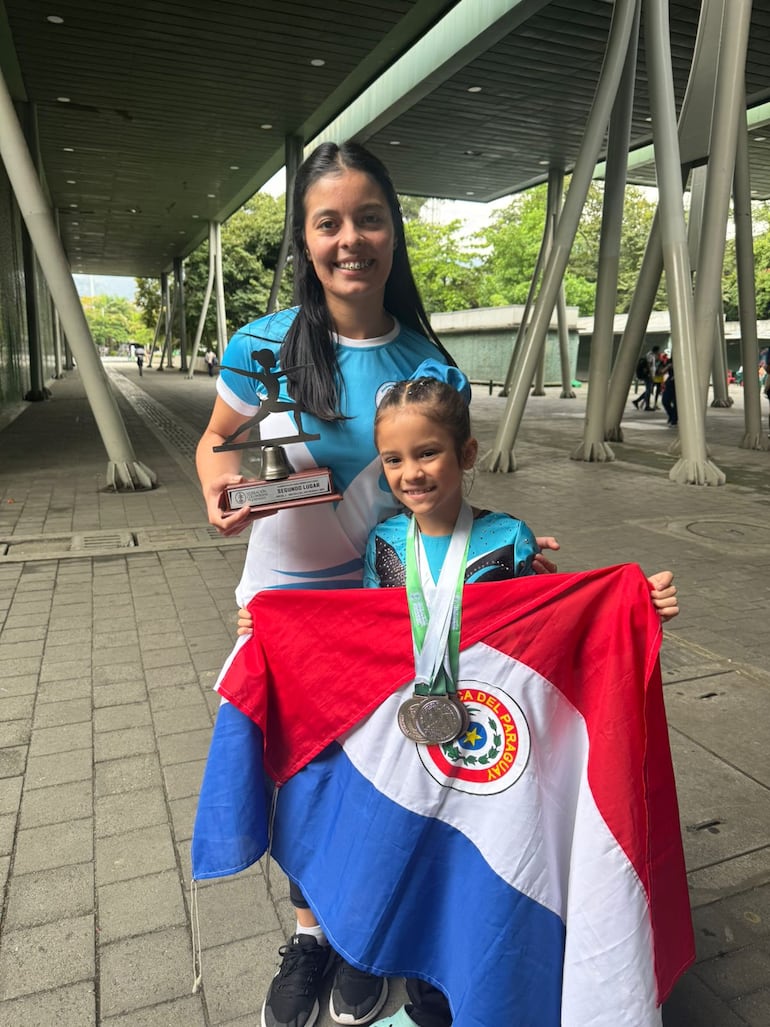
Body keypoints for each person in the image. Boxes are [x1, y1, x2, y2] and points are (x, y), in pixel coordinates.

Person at [197, 140, 561, 1027]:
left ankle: (368, 936)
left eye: (369, 218)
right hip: (288, 603)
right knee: (303, 770)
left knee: (389, 770)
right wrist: (218, 487)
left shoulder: (426, 358)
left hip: (391, 604)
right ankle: (313, 933)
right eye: (329, 223)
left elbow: (440, 476)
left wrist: (510, 555)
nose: (350, 239)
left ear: (393, 232)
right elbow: (217, 442)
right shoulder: (264, 346)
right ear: (306, 238)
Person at [237, 369, 680, 1027]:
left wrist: (633, 606)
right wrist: (275, 624)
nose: (411, 471)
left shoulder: (510, 539)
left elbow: (548, 633)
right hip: (405, 732)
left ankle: (448, 988)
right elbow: (366, 633)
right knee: (385, 829)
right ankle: (382, 957)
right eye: (394, 459)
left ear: (466, 454)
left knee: (470, 858)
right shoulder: (384, 543)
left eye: (427, 452)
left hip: (491, 744)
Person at [632, 344, 659, 411]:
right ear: (656, 350)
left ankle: (637, 401)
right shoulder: (650, 355)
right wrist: (650, 375)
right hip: (648, 376)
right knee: (648, 390)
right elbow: (649, 366)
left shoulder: (651, 355)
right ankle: (647, 406)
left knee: (648, 390)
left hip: (649, 375)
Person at [661, 357, 677, 426]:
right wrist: (669, 366)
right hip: (670, 383)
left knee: (676, 404)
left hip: (678, 385)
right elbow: (662, 371)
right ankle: (671, 415)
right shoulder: (670, 362)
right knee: (665, 401)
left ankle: (674, 419)